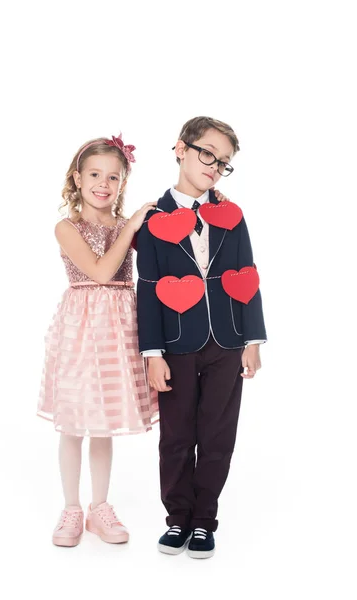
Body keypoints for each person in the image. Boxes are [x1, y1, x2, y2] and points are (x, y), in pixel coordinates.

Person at [136, 117, 267, 559]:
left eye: (224, 161)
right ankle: (177, 518)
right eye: (207, 153)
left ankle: (204, 520)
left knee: (217, 434)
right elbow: (149, 287)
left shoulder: (232, 215)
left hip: (227, 343)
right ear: (181, 148)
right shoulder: (152, 218)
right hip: (175, 344)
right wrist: (152, 352)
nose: (214, 165)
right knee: (175, 435)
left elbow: (247, 274)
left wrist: (253, 339)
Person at [38, 134, 158, 547]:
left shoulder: (129, 226)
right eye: (94, 174)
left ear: (123, 182)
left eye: (113, 176)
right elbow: (102, 272)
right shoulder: (66, 227)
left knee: (104, 423)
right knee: (74, 423)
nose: (103, 183)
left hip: (119, 329)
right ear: (77, 177)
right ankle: (71, 508)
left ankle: (99, 508)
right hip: (82, 328)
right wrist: (132, 226)